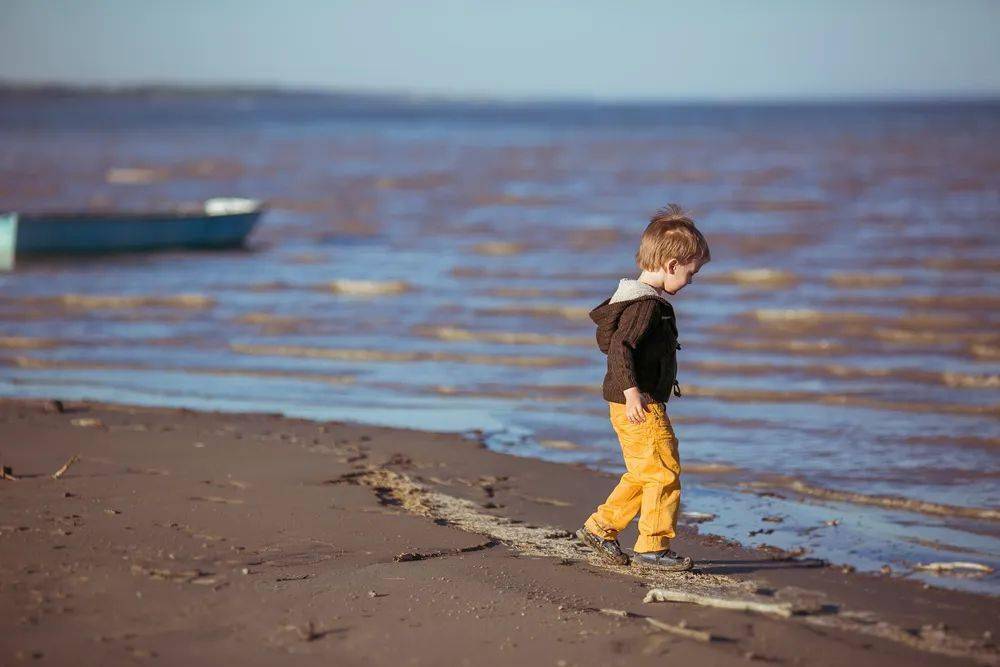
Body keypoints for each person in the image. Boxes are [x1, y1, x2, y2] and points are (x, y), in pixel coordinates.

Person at [576, 204, 710, 571]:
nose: (691, 281)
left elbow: (615, 343)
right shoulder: (645, 307)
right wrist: (633, 391)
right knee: (664, 471)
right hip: (640, 404)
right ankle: (652, 546)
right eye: (690, 273)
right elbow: (619, 347)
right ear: (670, 265)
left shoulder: (636, 301)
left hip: (627, 402)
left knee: (643, 472)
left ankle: (600, 528)